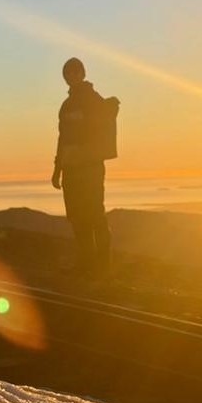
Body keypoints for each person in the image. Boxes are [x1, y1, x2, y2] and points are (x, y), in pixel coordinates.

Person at [51, 57, 119, 275]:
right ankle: (86, 264)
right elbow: (62, 138)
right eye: (67, 74)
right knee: (78, 217)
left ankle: (103, 267)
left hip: (89, 168)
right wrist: (57, 169)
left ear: (82, 73)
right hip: (71, 168)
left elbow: (99, 127)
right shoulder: (66, 105)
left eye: (74, 72)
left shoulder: (92, 99)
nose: (71, 77)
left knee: (95, 216)